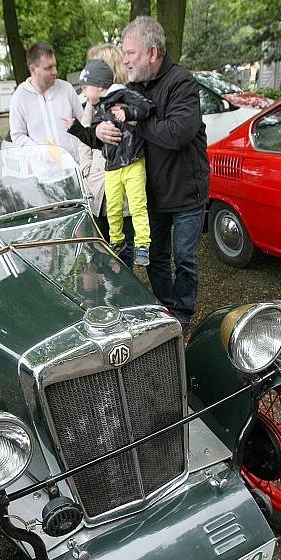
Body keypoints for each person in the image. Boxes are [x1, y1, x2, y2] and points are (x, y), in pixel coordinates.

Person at [96, 16, 210, 331]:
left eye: (131, 53)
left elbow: (178, 133)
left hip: (186, 192)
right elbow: (113, 122)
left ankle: (183, 312)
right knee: (156, 257)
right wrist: (103, 129)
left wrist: (138, 123)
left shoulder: (182, 82)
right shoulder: (130, 89)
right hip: (151, 193)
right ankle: (167, 307)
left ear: (152, 53)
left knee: (184, 258)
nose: (126, 59)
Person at [65, 59, 154, 267]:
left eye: (86, 87)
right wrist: (78, 130)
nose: (85, 92)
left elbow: (147, 111)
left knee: (135, 211)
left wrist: (130, 114)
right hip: (104, 178)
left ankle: (141, 248)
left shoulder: (125, 96)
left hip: (130, 166)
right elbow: (90, 138)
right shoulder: (96, 106)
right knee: (104, 246)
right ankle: (117, 244)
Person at [78, 43, 135, 269]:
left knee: (122, 259)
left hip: (120, 196)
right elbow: (83, 143)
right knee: (98, 258)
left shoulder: (126, 103)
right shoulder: (90, 104)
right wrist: (86, 173)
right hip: (95, 194)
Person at [8, 42, 83, 161]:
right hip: (42, 174)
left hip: (74, 169)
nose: (55, 72)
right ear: (33, 69)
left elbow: (84, 122)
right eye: (48, 68)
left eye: (54, 66)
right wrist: (41, 153)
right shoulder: (20, 97)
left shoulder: (66, 89)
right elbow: (17, 135)